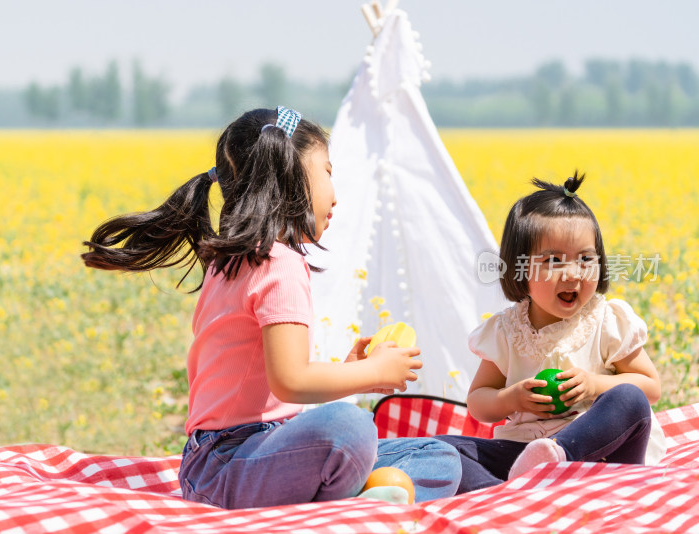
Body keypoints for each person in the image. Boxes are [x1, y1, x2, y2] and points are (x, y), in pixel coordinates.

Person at [82, 107, 461, 509]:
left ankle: (362, 499)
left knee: (437, 456)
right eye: (328, 172)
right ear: (292, 177)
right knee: (351, 426)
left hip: (238, 459)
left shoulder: (232, 258)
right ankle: (354, 508)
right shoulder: (277, 262)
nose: (335, 192)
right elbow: (290, 381)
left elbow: (276, 381)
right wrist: (372, 371)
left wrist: (351, 371)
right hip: (228, 465)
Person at [436, 171, 666, 494]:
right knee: (442, 450)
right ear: (520, 269)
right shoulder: (507, 331)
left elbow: (650, 387)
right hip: (523, 454)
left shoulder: (605, 320)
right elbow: (477, 402)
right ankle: (516, 494)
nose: (573, 273)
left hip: (601, 456)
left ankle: (552, 463)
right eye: (554, 261)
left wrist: (594, 386)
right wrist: (511, 398)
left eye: (585, 259)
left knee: (629, 399)